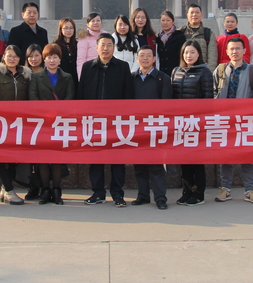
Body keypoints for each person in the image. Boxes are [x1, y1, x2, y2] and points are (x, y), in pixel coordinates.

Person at [78, 32, 134, 206]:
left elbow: (128, 94)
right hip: (93, 121)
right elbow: (81, 93)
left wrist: (126, 119)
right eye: (102, 45)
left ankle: (118, 194)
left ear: (114, 47)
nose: (106, 48)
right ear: (96, 47)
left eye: (109, 45)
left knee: (117, 159)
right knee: (96, 159)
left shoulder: (123, 67)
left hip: (116, 122)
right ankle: (98, 193)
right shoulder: (88, 67)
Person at [212, 36, 253, 205]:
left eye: (238, 48)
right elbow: (212, 93)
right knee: (226, 155)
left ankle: (250, 190)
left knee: (247, 155)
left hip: (245, 120)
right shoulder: (220, 70)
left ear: (244, 51)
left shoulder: (252, 71)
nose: (234, 52)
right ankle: (225, 188)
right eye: (231, 49)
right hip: (225, 120)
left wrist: (248, 110)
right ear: (227, 52)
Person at [29, 43, 75, 205]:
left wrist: (58, 113)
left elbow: (69, 98)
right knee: (43, 157)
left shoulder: (67, 77)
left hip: (60, 122)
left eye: (55, 57)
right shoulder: (36, 77)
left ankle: (56, 190)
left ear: (60, 59)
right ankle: (45, 190)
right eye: (49, 57)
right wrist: (46, 113)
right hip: (42, 122)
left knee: (57, 156)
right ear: (44, 59)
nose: (52, 60)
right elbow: (33, 98)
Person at [0, 45, 32, 205]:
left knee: (14, 158)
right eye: (9, 55)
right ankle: (9, 190)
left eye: (15, 56)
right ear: (3, 57)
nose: (12, 59)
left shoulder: (25, 76)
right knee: (2, 157)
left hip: (19, 124)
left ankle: (5, 188)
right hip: (1, 123)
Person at [171, 40, 214, 206]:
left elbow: (208, 99)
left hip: (196, 122)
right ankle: (187, 191)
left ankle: (198, 193)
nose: (189, 56)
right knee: (184, 159)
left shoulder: (204, 72)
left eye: (192, 52)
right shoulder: (176, 71)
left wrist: (202, 120)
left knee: (196, 159)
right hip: (180, 122)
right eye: (186, 52)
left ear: (199, 54)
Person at [130, 45, 172, 210]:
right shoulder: (131, 78)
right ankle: (143, 196)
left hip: (155, 126)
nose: (145, 58)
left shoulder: (163, 78)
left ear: (154, 59)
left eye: (148, 55)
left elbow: (167, 105)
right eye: (142, 55)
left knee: (156, 165)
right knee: (139, 164)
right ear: (137, 59)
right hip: (136, 127)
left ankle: (160, 198)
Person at [183, 3, 218, 70]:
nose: (194, 15)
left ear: (202, 15)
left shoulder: (208, 33)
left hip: (203, 70)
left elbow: (212, 57)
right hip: (185, 71)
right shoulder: (181, 32)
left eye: (197, 12)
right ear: (187, 15)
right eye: (192, 12)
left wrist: (209, 73)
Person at [156, 10, 186, 78]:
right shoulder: (158, 38)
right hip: (161, 73)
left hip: (176, 73)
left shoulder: (179, 36)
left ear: (173, 21)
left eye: (168, 20)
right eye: (163, 20)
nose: (165, 23)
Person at [76, 12, 107, 78]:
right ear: (88, 24)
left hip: (105, 70)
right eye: (93, 21)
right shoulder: (84, 37)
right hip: (90, 71)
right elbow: (81, 59)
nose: (96, 23)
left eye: (98, 20)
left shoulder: (106, 36)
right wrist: (81, 76)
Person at [53, 18, 79, 84]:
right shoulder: (55, 45)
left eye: (71, 28)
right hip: (61, 79)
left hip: (76, 79)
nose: (69, 30)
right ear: (61, 29)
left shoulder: (78, 44)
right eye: (66, 28)